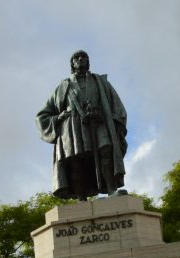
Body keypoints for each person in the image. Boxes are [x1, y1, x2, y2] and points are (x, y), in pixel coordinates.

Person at [36, 49, 127, 199]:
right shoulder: (63, 87)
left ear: (88, 61)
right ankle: (81, 198)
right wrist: (58, 118)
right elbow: (42, 115)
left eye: (83, 57)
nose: (80, 59)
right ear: (72, 63)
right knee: (76, 161)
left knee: (106, 150)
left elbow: (117, 106)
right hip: (72, 126)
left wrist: (111, 119)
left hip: (98, 122)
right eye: (76, 57)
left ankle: (112, 190)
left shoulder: (100, 82)